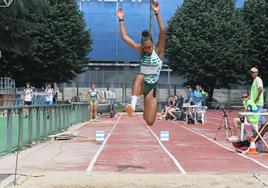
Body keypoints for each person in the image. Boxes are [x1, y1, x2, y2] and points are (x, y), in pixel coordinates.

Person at [117, 1, 165, 126]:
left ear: (153, 44)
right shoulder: (141, 50)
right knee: (140, 76)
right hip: (142, 84)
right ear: (142, 47)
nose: (148, 50)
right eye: (145, 48)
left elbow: (163, 31)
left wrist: (157, 13)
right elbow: (125, 37)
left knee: (150, 121)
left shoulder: (158, 51)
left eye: (149, 47)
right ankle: (132, 106)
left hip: (152, 87)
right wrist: (121, 20)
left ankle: (145, 109)